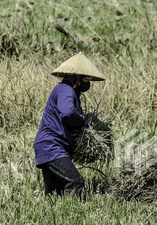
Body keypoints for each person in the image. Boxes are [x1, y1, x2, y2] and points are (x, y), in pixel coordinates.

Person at [34, 52, 105, 197]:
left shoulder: (67, 91)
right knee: (76, 182)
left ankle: (56, 216)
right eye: (86, 78)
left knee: (55, 193)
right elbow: (67, 112)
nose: (87, 82)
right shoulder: (65, 90)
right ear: (78, 77)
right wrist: (84, 123)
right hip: (52, 146)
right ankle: (73, 216)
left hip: (49, 146)